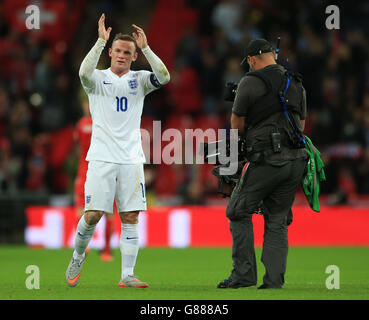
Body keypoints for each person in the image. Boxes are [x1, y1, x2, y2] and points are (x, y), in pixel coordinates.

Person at [66, 13, 170, 288]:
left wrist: (146, 48)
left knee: (130, 216)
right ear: (111, 52)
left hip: (131, 158)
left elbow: (164, 76)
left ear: (134, 56)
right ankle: (78, 255)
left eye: (128, 52)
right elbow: (82, 73)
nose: (122, 55)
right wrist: (99, 42)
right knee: (93, 215)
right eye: (119, 51)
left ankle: (127, 274)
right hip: (101, 158)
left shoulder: (141, 79)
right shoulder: (97, 79)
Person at [217, 39, 307, 289]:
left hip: (267, 159)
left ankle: (244, 275)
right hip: (295, 161)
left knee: (237, 211)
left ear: (253, 59)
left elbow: (236, 123)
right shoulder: (296, 83)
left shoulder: (250, 81)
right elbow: (301, 126)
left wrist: (246, 145)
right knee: (277, 218)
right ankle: (274, 280)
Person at [73, 99, 115, 261]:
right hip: (102, 171)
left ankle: (84, 246)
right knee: (108, 212)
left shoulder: (81, 124)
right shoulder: (105, 123)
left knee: (82, 209)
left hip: (85, 171)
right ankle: (105, 250)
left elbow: (78, 147)